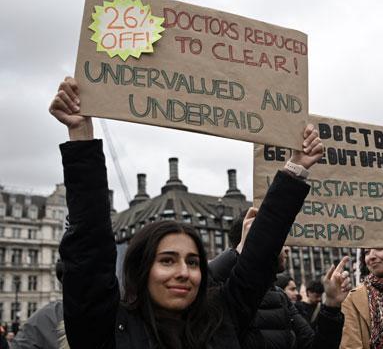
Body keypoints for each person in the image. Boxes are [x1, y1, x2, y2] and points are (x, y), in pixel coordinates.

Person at [50, 76, 323, 349]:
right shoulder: (107, 328)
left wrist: (296, 168)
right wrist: (81, 135)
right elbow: (90, 249)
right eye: (167, 260)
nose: (184, 272)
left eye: (193, 262)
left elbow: (259, 256)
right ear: (141, 269)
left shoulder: (221, 320)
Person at [208, 209, 349, 348]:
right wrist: (239, 253)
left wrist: (331, 305)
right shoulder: (220, 294)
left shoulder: (280, 297)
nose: (287, 249)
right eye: (281, 240)